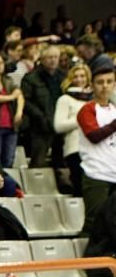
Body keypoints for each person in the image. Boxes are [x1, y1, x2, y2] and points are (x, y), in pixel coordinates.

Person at [76, 66, 116, 235]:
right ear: (92, 85)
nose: (105, 86)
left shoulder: (114, 109)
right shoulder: (88, 109)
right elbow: (94, 135)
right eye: (100, 82)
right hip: (96, 174)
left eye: (109, 82)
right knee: (95, 223)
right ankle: (86, 261)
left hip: (114, 173)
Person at [53, 64, 92, 197]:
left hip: (94, 148)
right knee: (79, 187)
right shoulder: (65, 99)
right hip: (74, 148)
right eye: (75, 76)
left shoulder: (94, 99)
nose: (79, 79)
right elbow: (58, 126)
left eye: (82, 76)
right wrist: (82, 120)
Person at [22, 45, 62, 168]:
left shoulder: (63, 76)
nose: (53, 60)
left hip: (60, 124)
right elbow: (26, 102)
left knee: (60, 161)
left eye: (56, 57)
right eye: (50, 57)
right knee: (38, 162)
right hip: (39, 125)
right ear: (42, 59)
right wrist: (40, 116)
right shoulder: (31, 78)